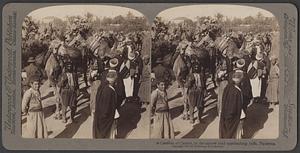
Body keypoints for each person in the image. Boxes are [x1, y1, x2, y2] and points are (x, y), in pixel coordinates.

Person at [219, 71, 245, 139]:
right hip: (232, 116)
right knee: (231, 132)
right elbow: (233, 106)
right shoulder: (236, 91)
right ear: (239, 81)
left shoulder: (227, 87)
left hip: (225, 113)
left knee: (225, 131)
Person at [93, 70, 118, 139]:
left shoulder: (103, 86)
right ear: (113, 81)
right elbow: (106, 107)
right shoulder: (109, 91)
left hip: (100, 114)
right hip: (106, 117)